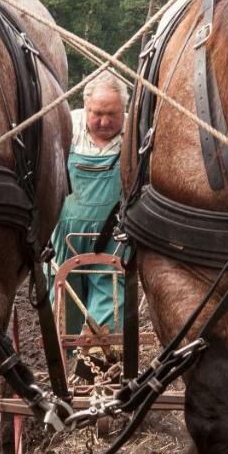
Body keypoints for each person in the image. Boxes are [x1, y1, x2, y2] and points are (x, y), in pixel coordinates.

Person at [49, 72, 128, 349]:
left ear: (124, 111)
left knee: (111, 300)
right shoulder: (66, 126)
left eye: (113, 114)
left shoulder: (134, 136)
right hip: (66, 233)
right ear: (86, 106)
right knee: (63, 304)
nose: (105, 122)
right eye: (98, 113)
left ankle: (100, 366)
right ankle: (65, 371)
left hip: (113, 235)